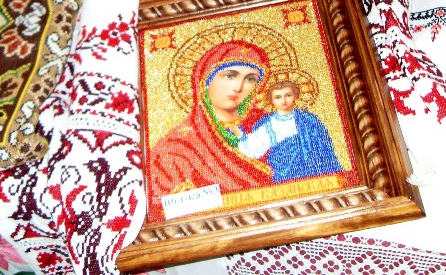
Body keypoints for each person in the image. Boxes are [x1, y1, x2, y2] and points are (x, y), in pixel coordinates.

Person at [147, 39, 274, 221]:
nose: (238, 87)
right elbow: (163, 213)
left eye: (250, 79)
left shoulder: (270, 126)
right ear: (205, 80)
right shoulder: (175, 149)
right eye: (230, 75)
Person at [237, 80, 343, 183]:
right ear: (271, 100)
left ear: (295, 96)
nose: (283, 100)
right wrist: (238, 133)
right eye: (278, 97)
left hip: (313, 172)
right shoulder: (267, 123)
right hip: (283, 176)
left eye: (288, 95)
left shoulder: (309, 119)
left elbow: (324, 147)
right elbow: (253, 149)